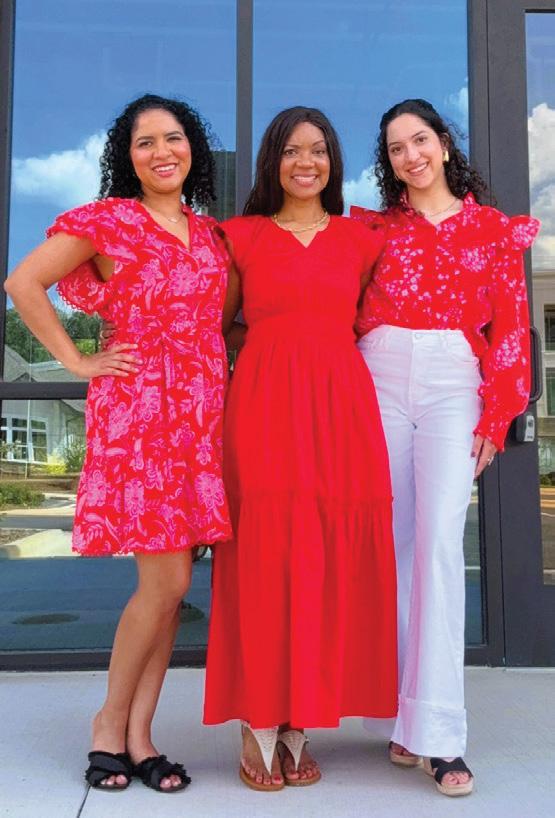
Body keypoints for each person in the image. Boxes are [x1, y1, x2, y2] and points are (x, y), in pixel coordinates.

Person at [4, 94, 232, 793]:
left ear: (192, 148)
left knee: (172, 586)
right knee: (166, 583)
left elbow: (219, 322)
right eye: (145, 142)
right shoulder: (108, 221)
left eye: (173, 138)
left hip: (199, 419)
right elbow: (23, 282)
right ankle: (109, 723)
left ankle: (139, 735)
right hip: (141, 416)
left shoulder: (210, 233)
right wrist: (76, 361)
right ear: (127, 157)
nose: (162, 151)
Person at [203, 106, 398, 792]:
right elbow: (218, 326)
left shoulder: (362, 239)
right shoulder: (242, 236)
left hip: (341, 409)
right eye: (291, 151)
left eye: (317, 150)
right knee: (264, 553)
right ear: (272, 162)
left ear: (333, 161)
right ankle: (258, 715)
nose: (305, 162)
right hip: (263, 406)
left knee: (324, 557)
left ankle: (301, 717)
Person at [352, 98, 540, 797]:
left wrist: (498, 414)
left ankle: (440, 736)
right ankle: (403, 721)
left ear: (443, 143)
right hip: (377, 374)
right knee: (394, 547)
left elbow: (511, 329)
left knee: (435, 544)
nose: (411, 156)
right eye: (396, 147)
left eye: (419, 140)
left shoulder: (491, 230)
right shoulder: (373, 228)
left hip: (450, 380)